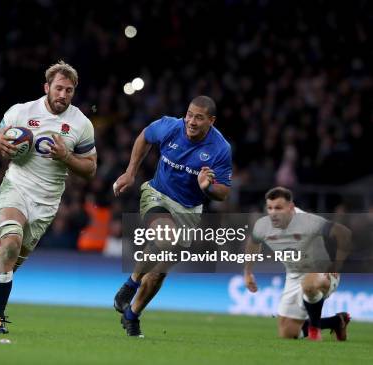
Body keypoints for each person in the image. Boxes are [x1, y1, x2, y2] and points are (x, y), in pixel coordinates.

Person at [0, 61, 97, 334]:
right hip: (17, 187)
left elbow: (90, 169)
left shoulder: (81, 123)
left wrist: (67, 158)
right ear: (46, 87)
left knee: (8, 262)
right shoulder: (22, 111)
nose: (63, 95)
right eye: (58, 88)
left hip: (47, 203)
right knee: (11, 243)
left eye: (69, 91)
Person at [112, 96, 232, 337]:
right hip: (158, 194)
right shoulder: (170, 126)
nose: (191, 121)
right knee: (165, 238)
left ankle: (133, 314)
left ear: (211, 120)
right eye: (189, 114)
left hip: (189, 210)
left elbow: (223, 193)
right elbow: (145, 136)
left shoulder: (220, 148)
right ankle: (130, 285)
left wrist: (207, 186)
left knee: (158, 274)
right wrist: (130, 173)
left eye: (199, 117)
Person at [244, 187, 352, 341]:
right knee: (288, 333)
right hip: (294, 276)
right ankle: (337, 322)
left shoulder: (308, 222)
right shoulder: (263, 226)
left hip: (323, 273)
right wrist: (248, 272)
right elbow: (253, 243)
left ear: (291, 207)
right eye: (270, 208)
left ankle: (314, 330)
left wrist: (336, 265)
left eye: (278, 208)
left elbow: (344, 233)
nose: (273, 212)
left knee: (309, 283)